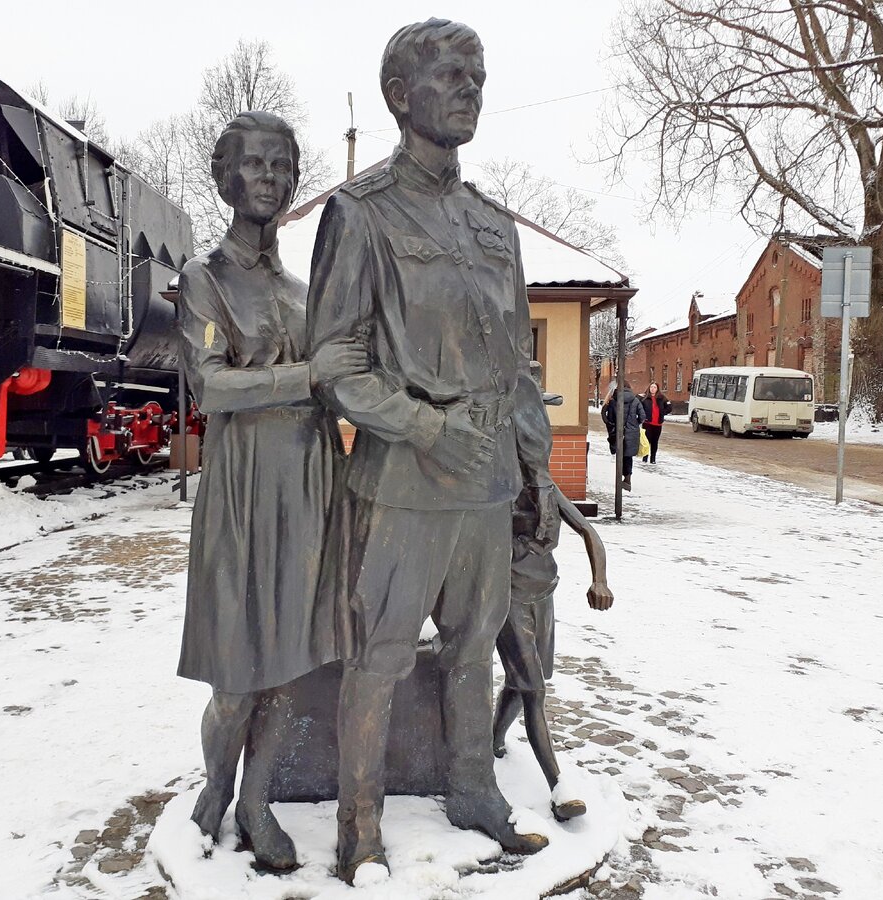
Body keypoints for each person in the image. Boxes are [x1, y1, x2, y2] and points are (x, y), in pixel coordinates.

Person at [306, 18, 557, 884]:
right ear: (399, 96)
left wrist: (535, 470)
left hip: (485, 479)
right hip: (405, 476)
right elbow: (335, 363)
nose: (469, 89)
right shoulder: (360, 212)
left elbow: (518, 366)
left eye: (478, 77)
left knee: (474, 643)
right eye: (451, 76)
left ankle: (473, 792)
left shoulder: (496, 227)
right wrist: (420, 424)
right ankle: (360, 825)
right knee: (377, 656)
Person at [175, 111, 369, 872]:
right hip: (244, 489)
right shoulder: (203, 278)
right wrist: (306, 376)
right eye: (254, 165)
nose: (269, 179)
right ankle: (216, 788)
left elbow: (341, 380)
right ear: (226, 176)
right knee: (237, 671)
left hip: (311, 483)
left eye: (281, 167)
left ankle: (258, 800)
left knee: (290, 662)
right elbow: (213, 387)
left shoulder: (305, 289)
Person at [493, 484, 614, 821]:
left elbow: (587, 530)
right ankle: (559, 788)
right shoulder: (494, 482)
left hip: (543, 595)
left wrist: (599, 579)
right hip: (509, 599)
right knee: (534, 691)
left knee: (524, 683)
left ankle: (494, 740)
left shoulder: (545, 487)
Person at [601, 381, 647, 491]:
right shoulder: (635, 400)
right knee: (628, 455)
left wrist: (610, 424)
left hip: (617, 431)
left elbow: (606, 415)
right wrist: (634, 423)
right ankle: (627, 479)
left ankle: (619, 476)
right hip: (631, 431)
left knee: (619, 453)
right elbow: (642, 416)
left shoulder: (613, 400)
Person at [640, 381, 671, 463]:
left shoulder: (662, 398)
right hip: (647, 423)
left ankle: (653, 459)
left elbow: (669, 406)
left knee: (655, 441)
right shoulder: (645, 398)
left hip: (657, 424)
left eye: (654, 387)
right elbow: (639, 406)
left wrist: (663, 412)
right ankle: (645, 458)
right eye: (651, 387)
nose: (652, 389)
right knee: (646, 441)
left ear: (657, 389)